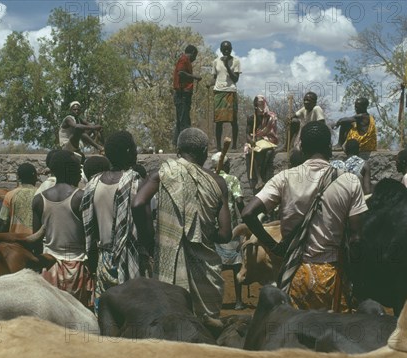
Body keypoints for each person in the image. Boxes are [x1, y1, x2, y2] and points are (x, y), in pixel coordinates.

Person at [241, 121, 367, 312]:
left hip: (295, 274)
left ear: (302, 147)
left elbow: (248, 213)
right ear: (329, 148)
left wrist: (273, 247)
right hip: (333, 277)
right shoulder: (349, 181)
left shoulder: (284, 178)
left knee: (295, 335)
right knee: (334, 334)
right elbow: (357, 239)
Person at [132, 128, 232, 318]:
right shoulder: (218, 182)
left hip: (169, 268)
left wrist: (151, 241)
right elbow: (226, 234)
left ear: (178, 151)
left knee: (172, 326)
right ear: (204, 152)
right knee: (206, 331)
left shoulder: (164, 173)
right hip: (206, 274)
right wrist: (205, 232)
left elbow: (138, 203)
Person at [81, 131, 144, 313]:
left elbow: (90, 228)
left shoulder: (93, 184)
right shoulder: (135, 182)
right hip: (130, 259)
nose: (136, 152)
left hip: (103, 260)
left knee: (106, 314)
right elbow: (146, 227)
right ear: (127, 151)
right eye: (133, 148)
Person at [32, 150, 94, 308]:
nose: (80, 175)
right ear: (69, 170)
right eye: (77, 170)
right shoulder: (81, 197)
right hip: (77, 269)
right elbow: (91, 236)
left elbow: (36, 241)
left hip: (49, 268)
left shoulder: (39, 200)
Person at [210, 151, 245, 310]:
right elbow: (239, 201)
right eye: (228, 163)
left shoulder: (210, 180)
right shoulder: (232, 180)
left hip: (215, 230)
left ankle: (216, 301)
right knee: (237, 266)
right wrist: (245, 217)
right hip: (231, 229)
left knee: (216, 267)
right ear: (224, 164)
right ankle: (238, 301)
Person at [212, 41, 241, 151]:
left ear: (231, 49)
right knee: (218, 121)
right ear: (220, 50)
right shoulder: (215, 62)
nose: (226, 50)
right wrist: (209, 84)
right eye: (224, 49)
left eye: (228, 48)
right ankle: (218, 146)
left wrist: (227, 66)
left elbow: (236, 79)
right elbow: (215, 77)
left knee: (233, 120)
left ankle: (234, 146)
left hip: (230, 91)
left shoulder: (236, 61)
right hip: (219, 92)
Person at [245, 95, 278, 191]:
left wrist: (264, 139)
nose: (259, 108)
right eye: (257, 105)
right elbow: (247, 134)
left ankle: (262, 174)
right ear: (255, 106)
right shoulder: (251, 118)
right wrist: (251, 141)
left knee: (268, 153)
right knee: (251, 152)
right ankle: (259, 178)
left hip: (267, 140)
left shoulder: (270, 117)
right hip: (254, 141)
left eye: (261, 105)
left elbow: (272, 133)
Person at [173, 45, 201, 147]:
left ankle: (177, 144)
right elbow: (180, 73)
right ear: (193, 52)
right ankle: (184, 145)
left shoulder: (185, 60)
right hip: (182, 94)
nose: (195, 58)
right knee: (184, 121)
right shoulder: (184, 60)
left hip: (184, 94)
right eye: (195, 55)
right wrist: (194, 77)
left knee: (181, 120)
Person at [0, 163, 38, 234]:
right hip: (36, 239)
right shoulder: (41, 193)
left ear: (18, 178)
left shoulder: (9, 195)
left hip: (16, 241)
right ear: (35, 177)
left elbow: (4, 221)